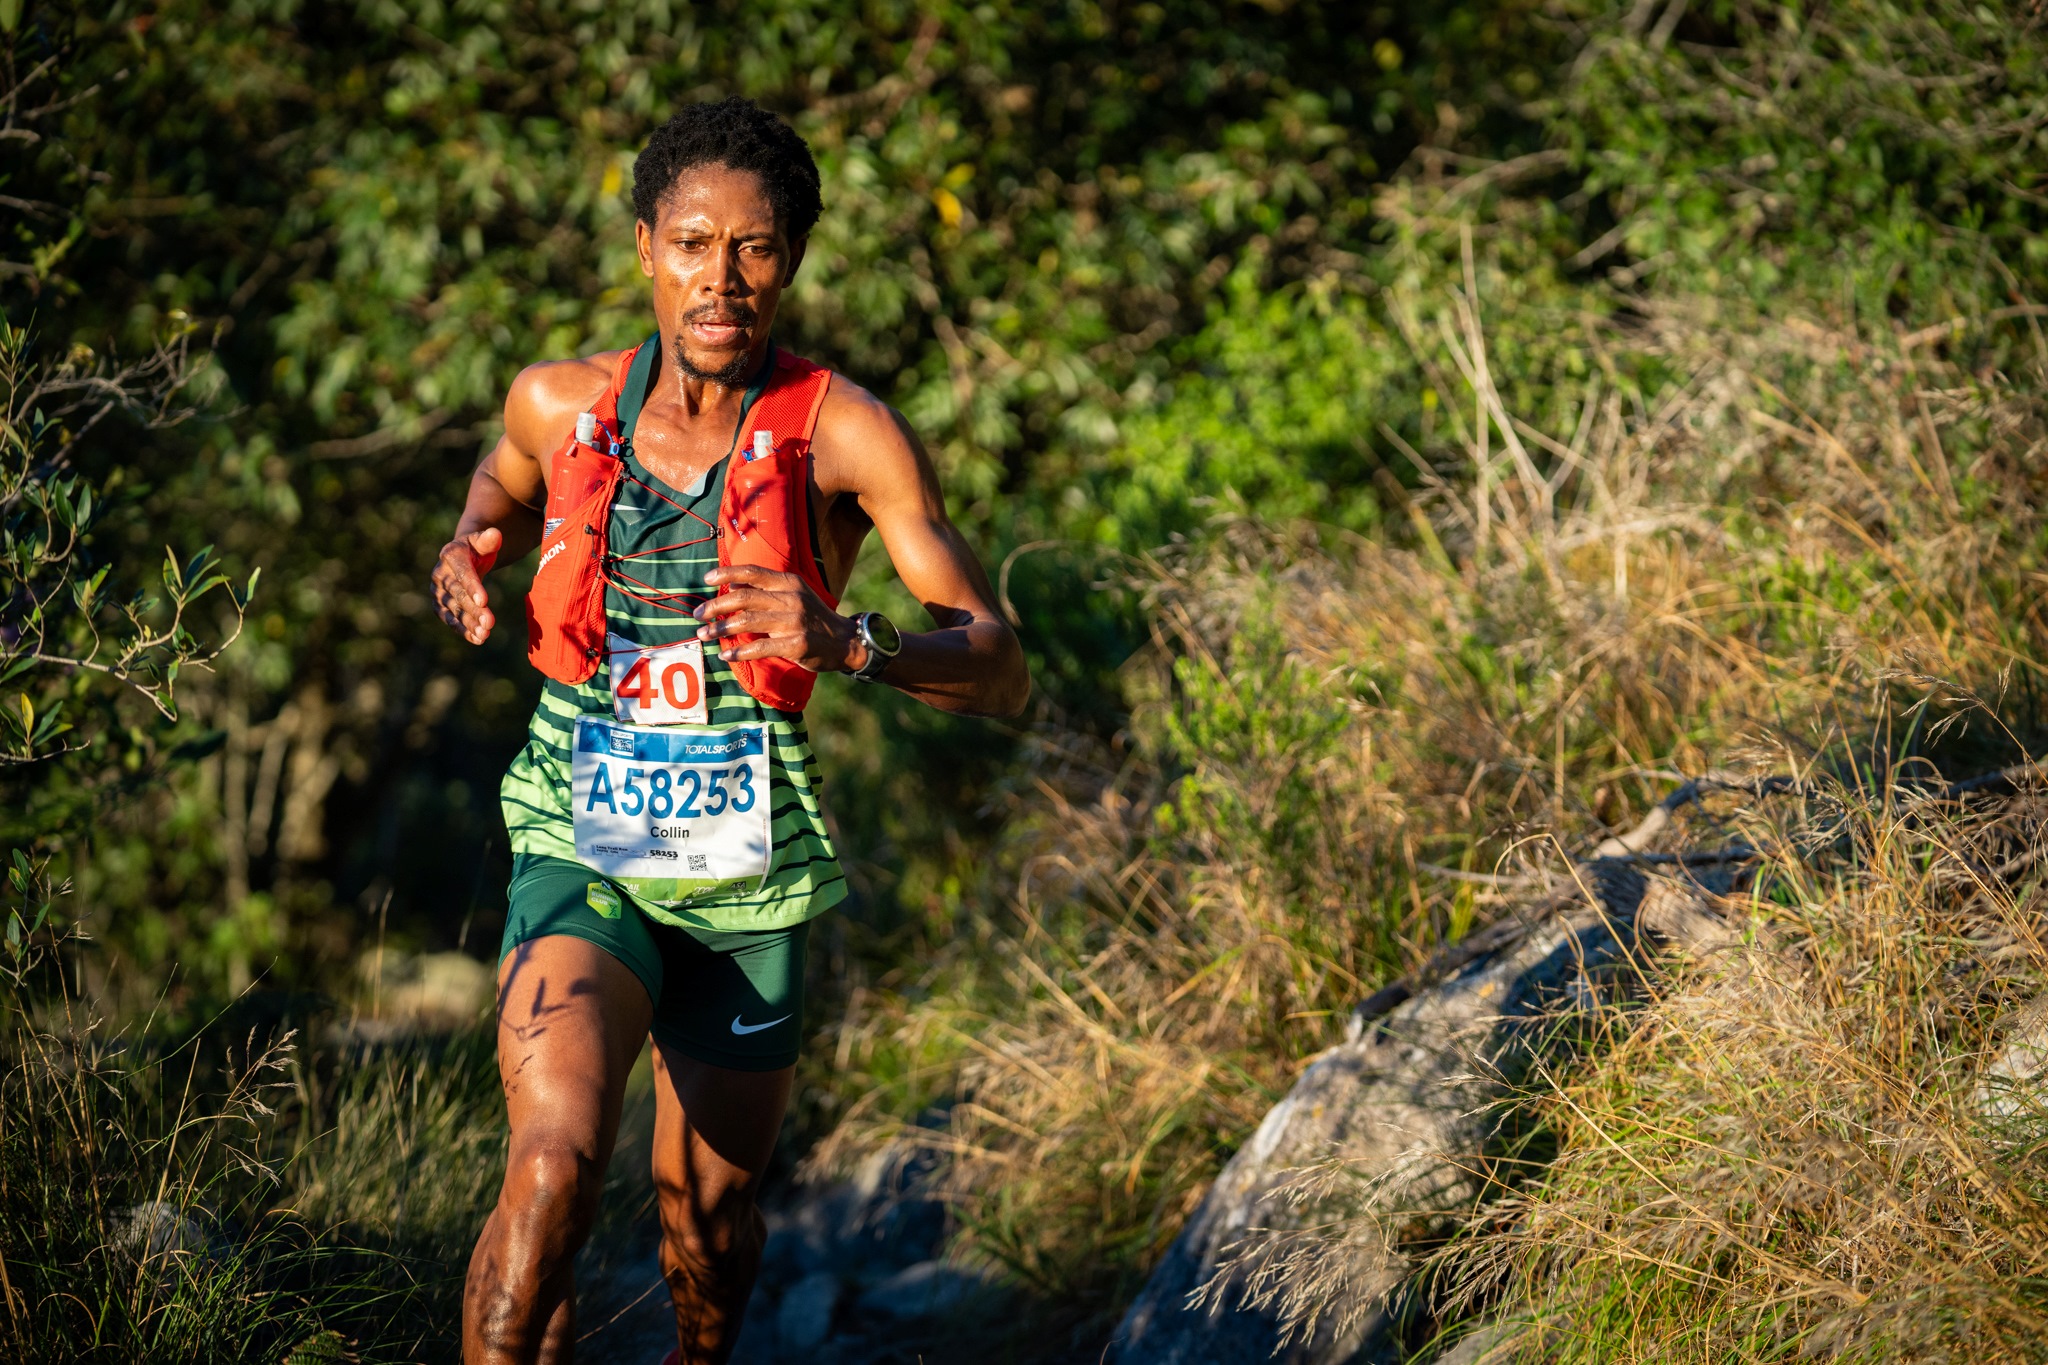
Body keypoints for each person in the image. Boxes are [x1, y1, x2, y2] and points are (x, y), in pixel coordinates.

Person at [430, 97, 1029, 1365]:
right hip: (580, 847)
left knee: (705, 1228)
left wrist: (850, 642)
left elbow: (999, 665)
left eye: (753, 248)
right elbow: (502, 473)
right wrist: (472, 539)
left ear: (791, 261)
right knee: (546, 1173)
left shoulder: (842, 435)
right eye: (692, 243)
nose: (721, 279)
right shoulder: (559, 400)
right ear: (645, 244)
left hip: (747, 881)